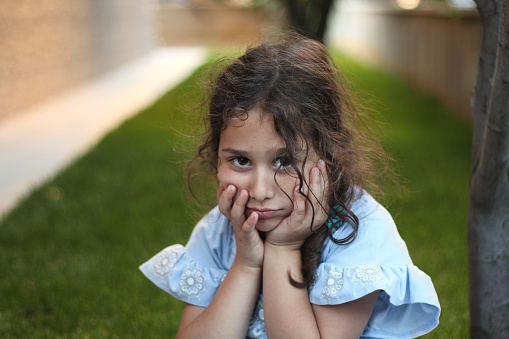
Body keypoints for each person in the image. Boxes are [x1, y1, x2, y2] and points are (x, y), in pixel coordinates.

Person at [140, 33, 440, 338]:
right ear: (216, 155)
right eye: (241, 161)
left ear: (328, 153)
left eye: (284, 162)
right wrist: (245, 264)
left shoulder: (360, 231)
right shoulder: (221, 229)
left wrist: (283, 248)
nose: (259, 191)